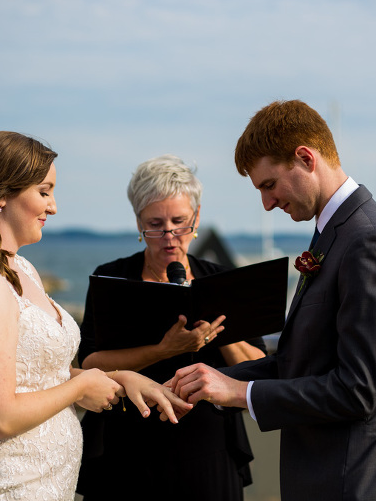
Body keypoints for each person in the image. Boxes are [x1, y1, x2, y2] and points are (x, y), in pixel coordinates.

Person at [169, 100, 376, 501]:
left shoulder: (370, 241)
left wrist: (238, 393)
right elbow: (303, 362)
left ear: (306, 159)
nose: (267, 203)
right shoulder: (337, 234)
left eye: (269, 184)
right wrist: (208, 380)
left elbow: (356, 391)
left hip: (363, 482)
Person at [0, 131, 190, 500]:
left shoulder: (21, 269)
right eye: (44, 192)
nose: (53, 207)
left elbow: (37, 377)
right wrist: (81, 387)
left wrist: (117, 377)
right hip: (1, 489)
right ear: (3, 195)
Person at [76, 155, 267, 500]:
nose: (169, 237)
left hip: (209, 448)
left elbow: (258, 368)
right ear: (138, 223)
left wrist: (215, 326)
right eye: (155, 224)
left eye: (179, 223)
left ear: (196, 218)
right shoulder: (112, 278)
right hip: (127, 450)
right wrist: (164, 350)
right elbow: (90, 363)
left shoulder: (222, 280)